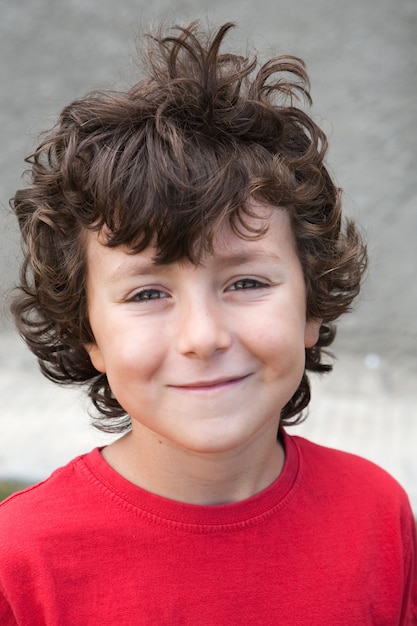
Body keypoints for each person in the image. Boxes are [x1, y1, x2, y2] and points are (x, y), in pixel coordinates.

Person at [1, 20, 415, 625]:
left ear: (312, 304)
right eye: (146, 293)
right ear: (89, 334)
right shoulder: (20, 559)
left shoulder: (377, 512)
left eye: (246, 282)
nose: (203, 337)